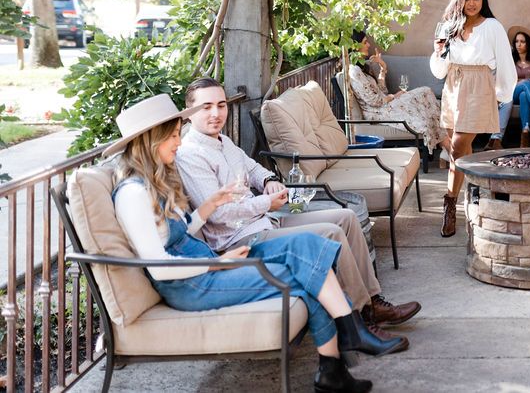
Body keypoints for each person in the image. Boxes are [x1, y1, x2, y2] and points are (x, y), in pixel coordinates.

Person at [106, 94, 404, 393]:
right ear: (151, 141)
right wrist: (220, 262)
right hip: (192, 285)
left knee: (306, 246)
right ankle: (336, 362)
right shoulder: (132, 194)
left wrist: (209, 205)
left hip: (206, 267)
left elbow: (179, 231)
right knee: (303, 276)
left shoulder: (153, 182)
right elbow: (159, 268)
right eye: (172, 136)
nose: (178, 142)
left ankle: (344, 343)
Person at [176, 78, 420, 345]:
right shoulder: (191, 154)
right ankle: (358, 320)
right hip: (241, 240)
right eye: (206, 107)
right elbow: (217, 215)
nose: (216, 113)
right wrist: (266, 203)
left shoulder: (223, 140)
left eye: (221, 105)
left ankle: (372, 301)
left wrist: (269, 181)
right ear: (189, 114)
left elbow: (253, 168)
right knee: (331, 232)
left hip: (267, 221)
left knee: (347, 217)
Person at [430, 0, 516, 237]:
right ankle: (473, 199)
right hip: (453, 87)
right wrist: (438, 52)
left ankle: (450, 202)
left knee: (457, 146)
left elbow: (505, 62)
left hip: (479, 87)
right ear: (460, 0)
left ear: (483, 0)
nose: (471, 3)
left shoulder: (492, 27)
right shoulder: (449, 27)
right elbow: (439, 71)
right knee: (461, 153)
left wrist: (501, 96)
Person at [347, 30, 449, 159]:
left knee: (425, 93)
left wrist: (383, 68)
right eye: (365, 42)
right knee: (424, 91)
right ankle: (446, 146)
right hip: (377, 112)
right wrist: (394, 96)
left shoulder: (361, 67)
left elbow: (382, 92)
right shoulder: (354, 71)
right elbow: (375, 101)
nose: (368, 45)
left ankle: (445, 145)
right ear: (355, 46)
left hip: (384, 105)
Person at [486, 26, 530, 150]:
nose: (519, 44)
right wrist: (524, 82)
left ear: (528, 44)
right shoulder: (510, 60)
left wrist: (528, 83)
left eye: (522, 41)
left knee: (525, 94)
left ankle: (525, 133)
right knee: (525, 84)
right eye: (517, 41)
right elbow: (505, 80)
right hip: (512, 93)